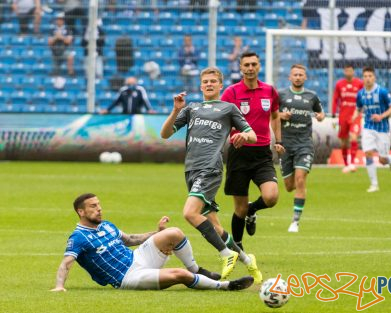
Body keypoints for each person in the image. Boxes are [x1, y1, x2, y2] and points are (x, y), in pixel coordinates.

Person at [160, 67, 262, 283]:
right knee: (214, 226)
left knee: (190, 213)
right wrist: (175, 111)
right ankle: (247, 259)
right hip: (191, 170)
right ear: (200, 85)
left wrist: (243, 136)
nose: (208, 84)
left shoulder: (228, 108)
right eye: (205, 81)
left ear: (220, 85)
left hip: (210, 168)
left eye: (213, 81)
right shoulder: (191, 109)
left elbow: (252, 135)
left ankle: (227, 254)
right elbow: (165, 134)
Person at [51, 193, 254, 292]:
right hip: (128, 277)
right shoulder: (78, 237)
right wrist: (59, 286)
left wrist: (156, 233)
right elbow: (66, 263)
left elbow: (130, 239)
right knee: (180, 275)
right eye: (93, 206)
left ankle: (198, 270)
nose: (99, 209)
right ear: (81, 211)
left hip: (137, 257)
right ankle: (226, 286)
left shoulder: (106, 225)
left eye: (99, 205)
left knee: (174, 233)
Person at [220, 51, 285, 250]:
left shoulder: (269, 91)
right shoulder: (231, 92)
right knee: (238, 208)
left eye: (253, 64)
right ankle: (237, 246)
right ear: (240, 68)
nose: (250, 68)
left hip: (262, 153)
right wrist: (232, 135)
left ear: (259, 66)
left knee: (271, 197)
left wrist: (278, 140)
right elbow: (222, 119)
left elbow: (275, 116)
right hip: (239, 153)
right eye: (246, 65)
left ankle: (253, 210)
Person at [278, 64, 325, 233]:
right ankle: (297, 195)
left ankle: (295, 221)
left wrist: (320, 116)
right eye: (295, 75)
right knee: (289, 185)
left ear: (305, 78)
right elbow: (272, 115)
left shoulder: (312, 96)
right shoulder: (281, 95)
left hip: (304, 144)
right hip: (285, 144)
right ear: (289, 77)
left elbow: (321, 113)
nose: (298, 77)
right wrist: (281, 115)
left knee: (300, 179)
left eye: (301, 75)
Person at [352, 66, 391, 193]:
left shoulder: (382, 92)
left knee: (382, 160)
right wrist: (353, 117)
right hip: (368, 127)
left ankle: (389, 160)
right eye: (365, 76)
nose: (368, 79)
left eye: (370, 76)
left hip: (383, 129)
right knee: (368, 153)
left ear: (374, 77)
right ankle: (374, 184)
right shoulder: (360, 93)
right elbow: (358, 108)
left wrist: (381, 116)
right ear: (363, 78)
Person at [332, 64, 363, 173]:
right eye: (346, 71)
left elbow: (363, 98)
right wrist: (333, 113)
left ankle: (353, 163)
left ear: (353, 72)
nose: (348, 73)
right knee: (344, 142)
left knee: (353, 137)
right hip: (343, 116)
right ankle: (346, 164)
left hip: (355, 115)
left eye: (350, 71)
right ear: (344, 72)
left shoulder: (359, 83)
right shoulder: (339, 84)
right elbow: (335, 99)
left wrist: (362, 110)